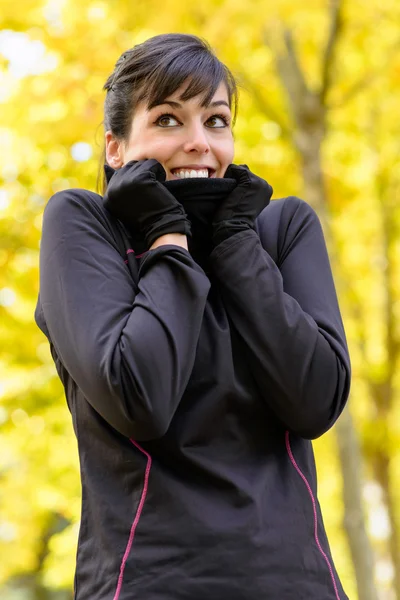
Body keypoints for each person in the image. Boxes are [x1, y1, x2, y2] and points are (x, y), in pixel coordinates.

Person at [34, 33, 351, 600]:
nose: (199, 142)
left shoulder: (281, 231)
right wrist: (168, 238)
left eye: (217, 119)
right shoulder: (84, 226)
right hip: (148, 584)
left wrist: (234, 244)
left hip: (295, 584)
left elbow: (316, 400)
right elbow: (138, 397)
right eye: (168, 120)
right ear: (115, 147)